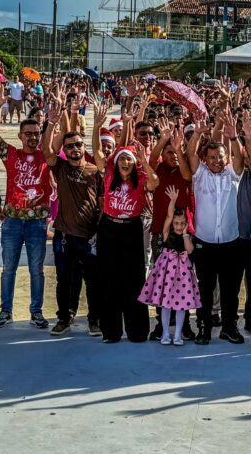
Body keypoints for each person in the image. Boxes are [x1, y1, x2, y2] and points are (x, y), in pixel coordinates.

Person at [0, 84, 52, 329]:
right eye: (28, 133)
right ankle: (6, 311)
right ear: (20, 135)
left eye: (36, 133)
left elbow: (58, 139)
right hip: (13, 221)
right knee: (8, 270)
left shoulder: (46, 156)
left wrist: (54, 121)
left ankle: (36, 312)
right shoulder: (11, 155)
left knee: (37, 270)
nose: (33, 137)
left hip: (37, 223)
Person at [185, 111, 247, 345]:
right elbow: (190, 153)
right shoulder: (200, 175)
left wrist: (233, 138)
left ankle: (230, 327)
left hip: (231, 242)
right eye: (211, 157)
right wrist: (198, 134)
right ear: (206, 159)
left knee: (231, 290)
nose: (216, 161)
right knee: (205, 289)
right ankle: (203, 328)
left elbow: (239, 160)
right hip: (204, 243)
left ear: (225, 157)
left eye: (220, 157)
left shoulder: (233, 173)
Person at [93, 121, 157, 344]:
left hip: (131, 228)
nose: (126, 162)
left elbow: (155, 183)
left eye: (129, 159)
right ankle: (111, 332)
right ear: (116, 162)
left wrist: (144, 160)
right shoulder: (109, 175)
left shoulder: (140, 180)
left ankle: (138, 331)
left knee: (134, 280)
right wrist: (95, 125)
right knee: (109, 280)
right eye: (122, 158)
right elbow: (98, 152)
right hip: (109, 228)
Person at [44, 115, 102, 337]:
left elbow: (101, 203)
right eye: (69, 146)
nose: (75, 148)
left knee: (93, 281)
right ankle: (64, 318)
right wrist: (51, 124)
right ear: (65, 150)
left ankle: (94, 320)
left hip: (89, 236)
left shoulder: (94, 171)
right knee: (65, 280)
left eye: (78, 144)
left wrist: (98, 231)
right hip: (64, 236)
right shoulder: (60, 168)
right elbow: (48, 151)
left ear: (84, 145)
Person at [137, 203, 199, 346]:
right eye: (176, 223)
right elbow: (170, 215)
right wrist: (172, 200)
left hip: (182, 273)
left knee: (181, 305)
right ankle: (165, 333)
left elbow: (189, 250)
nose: (178, 226)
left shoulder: (187, 236)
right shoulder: (166, 234)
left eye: (182, 223)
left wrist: (184, 233)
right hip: (166, 271)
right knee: (165, 304)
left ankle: (177, 334)